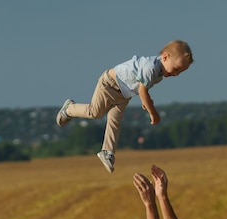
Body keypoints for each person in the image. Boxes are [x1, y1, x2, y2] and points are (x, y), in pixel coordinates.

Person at [56, 40, 194, 173]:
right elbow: (142, 91)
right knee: (94, 112)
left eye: (179, 72)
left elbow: (142, 88)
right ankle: (69, 108)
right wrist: (153, 113)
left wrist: (145, 101)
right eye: (176, 69)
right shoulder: (150, 68)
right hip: (109, 84)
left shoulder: (159, 74)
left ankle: (107, 152)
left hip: (123, 94)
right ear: (165, 57)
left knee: (115, 120)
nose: (176, 74)